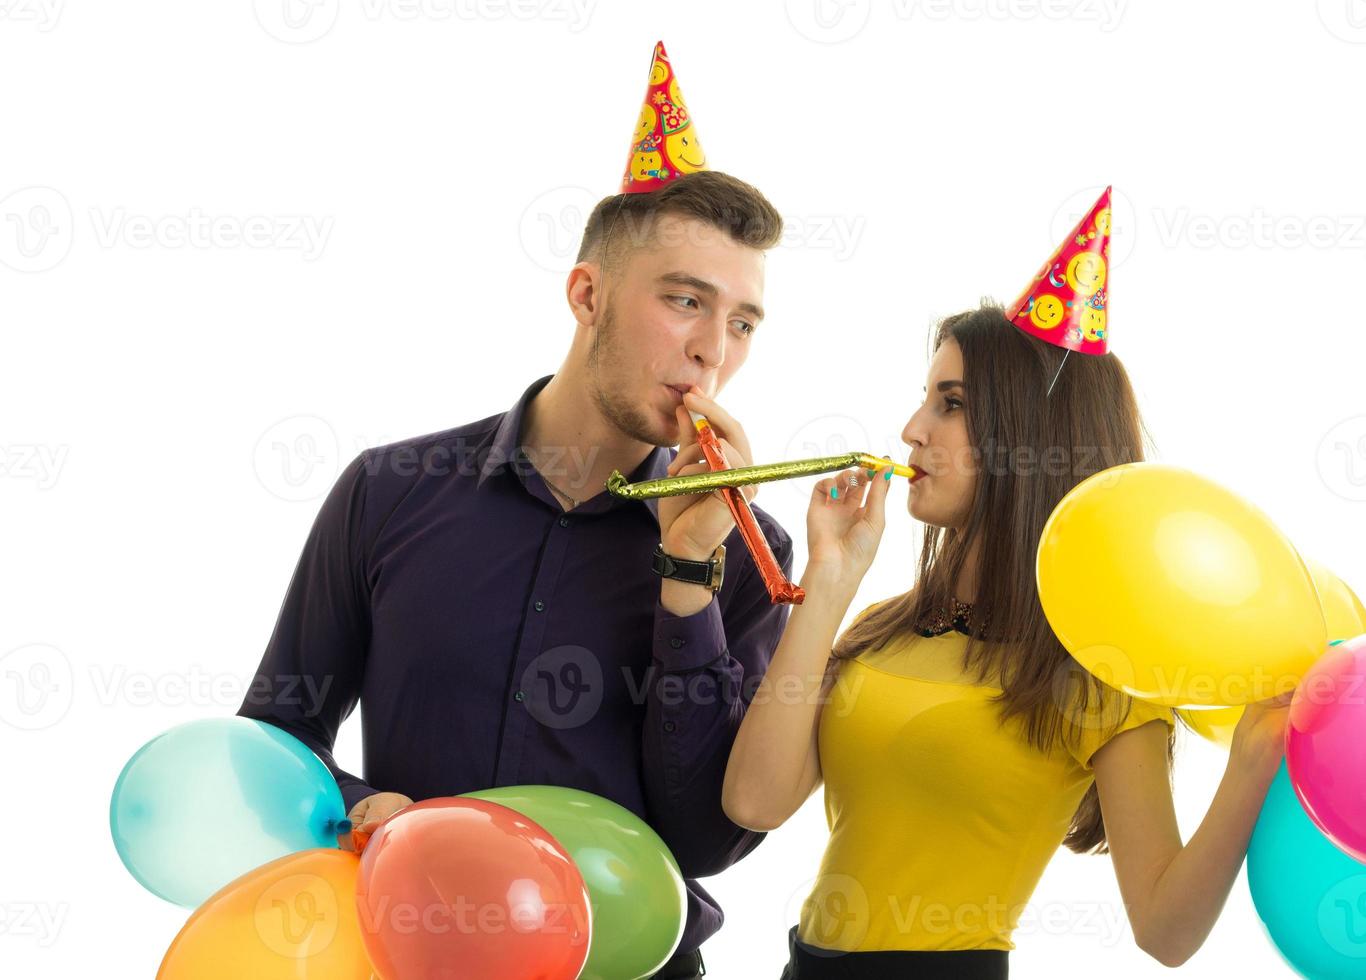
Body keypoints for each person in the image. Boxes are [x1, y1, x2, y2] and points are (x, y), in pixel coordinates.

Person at [239, 41, 792, 978]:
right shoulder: (390, 489)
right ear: (587, 294)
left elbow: (705, 839)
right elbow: (275, 735)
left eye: (741, 322)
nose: (712, 351)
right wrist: (360, 804)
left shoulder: (748, 550)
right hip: (407, 956)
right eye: (685, 301)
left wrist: (689, 576)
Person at [723, 197, 1295, 978]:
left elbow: (1166, 930)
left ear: (1029, 437)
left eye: (950, 405)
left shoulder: (1096, 673)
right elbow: (753, 804)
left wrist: (1252, 764)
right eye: (927, 398)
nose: (912, 429)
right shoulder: (882, 631)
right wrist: (827, 583)